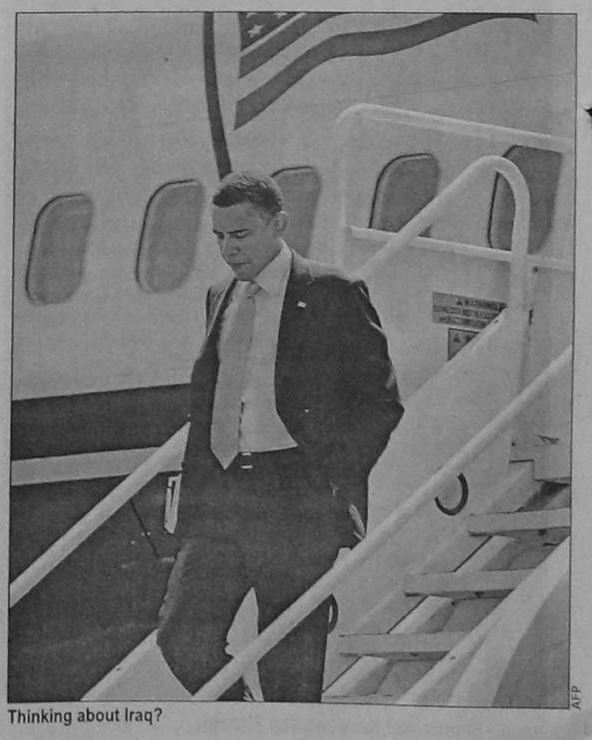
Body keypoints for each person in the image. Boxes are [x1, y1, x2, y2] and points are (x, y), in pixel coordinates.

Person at [157, 170, 404, 702]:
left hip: (296, 496)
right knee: (182, 639)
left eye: (240, 235)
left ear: (279, 224)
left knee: (288, 666)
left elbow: (380, 400)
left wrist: (331, 482)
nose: (228, 249)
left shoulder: (333, 292)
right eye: (219, 236)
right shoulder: (219, 296)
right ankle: (247, 724)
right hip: (222, 495)